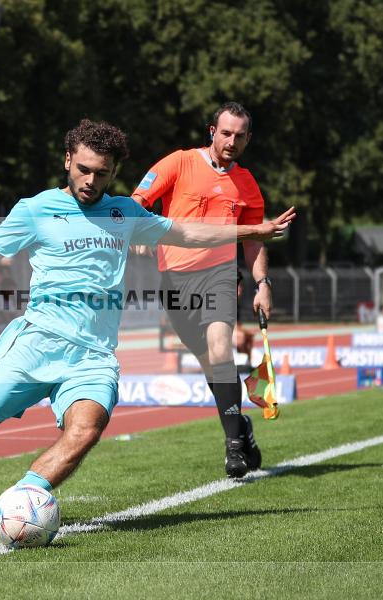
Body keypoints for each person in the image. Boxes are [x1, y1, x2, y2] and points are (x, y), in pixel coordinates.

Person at [0, 119, 295, 540]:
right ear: (68, 160)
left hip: (92, 356)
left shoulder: (124, 213)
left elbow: (186, 231)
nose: (91, 181)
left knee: (86, 429)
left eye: (102, 173)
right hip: (35, 342)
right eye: (84, 169)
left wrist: (251, 231)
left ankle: (19, 502)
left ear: (114, 173)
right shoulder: (35, 209)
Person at [130, 101, 274, 478]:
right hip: (174, 281)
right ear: (212, 131)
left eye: (240, 136)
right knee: (211, 365)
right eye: (225, 133)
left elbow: (254, 240)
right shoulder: (178, 162)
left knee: (220, 348)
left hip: (221, 275)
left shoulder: (247, 184)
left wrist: (262, 283)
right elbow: (136, 201)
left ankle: (233, 448)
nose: (232, 141)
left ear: (248, 139)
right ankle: (241, 425)